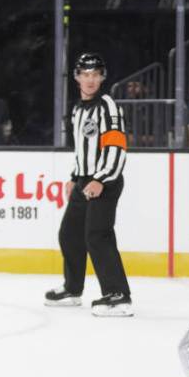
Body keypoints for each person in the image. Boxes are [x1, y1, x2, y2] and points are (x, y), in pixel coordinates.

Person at [45, 53, 132, 317]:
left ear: (102, 77)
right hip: (85, 181)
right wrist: (75, 177)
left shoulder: (108, 106)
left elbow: (117, 148)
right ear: (77, 77)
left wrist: (101, 179)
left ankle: (118, 296)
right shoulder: (77, 109)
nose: (90, 79)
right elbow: (82, 151)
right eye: (85, 74)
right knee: (69, 233)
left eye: (95, 74)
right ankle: (73, 289)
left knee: (98, 236)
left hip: (105, 181)